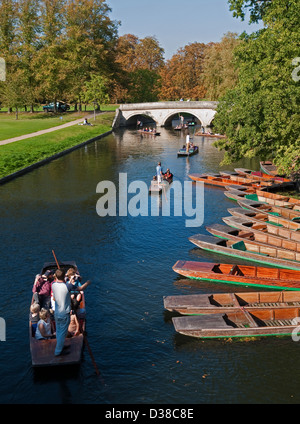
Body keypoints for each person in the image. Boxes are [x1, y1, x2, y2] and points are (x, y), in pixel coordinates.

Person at [52, 269, 91, 356]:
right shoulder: (67, 286)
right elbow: (80, 288)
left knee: (59, 330)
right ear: (64, 276)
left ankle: (60, 346)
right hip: (64, 313)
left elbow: (54, 297)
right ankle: (58, 352)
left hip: (57, 312)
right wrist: (87, 283)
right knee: (62, 332)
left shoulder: (53, 285)